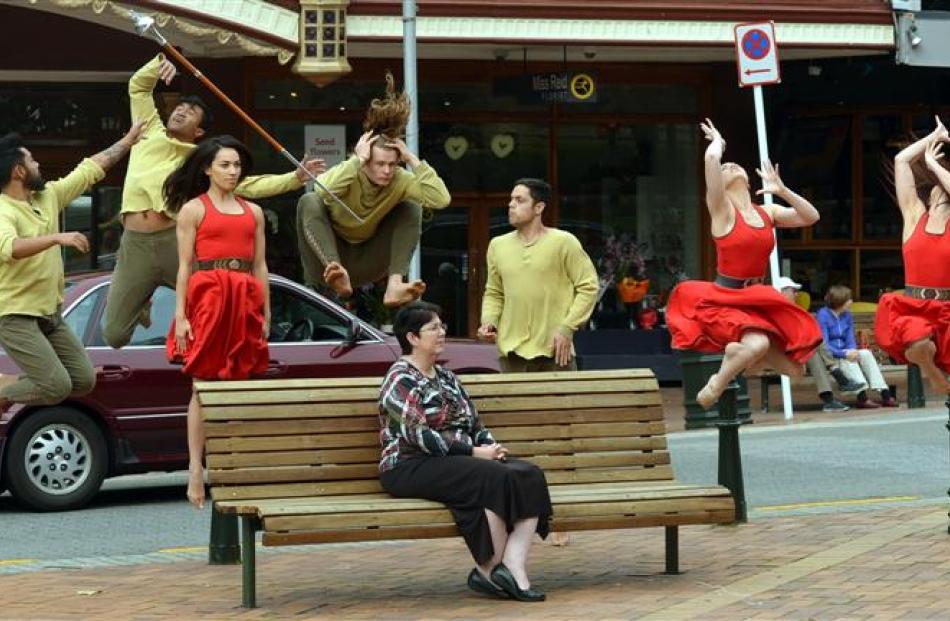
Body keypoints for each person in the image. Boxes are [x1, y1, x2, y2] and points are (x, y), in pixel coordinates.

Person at [102, 53, 323, 349]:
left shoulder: (201, 160)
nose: (181, 111)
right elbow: (138, 88)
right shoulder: (148, 131)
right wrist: (157, 65)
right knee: (114, 336)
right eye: (179, 107)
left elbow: (248, 185)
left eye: (191, 112)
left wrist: (294, 178)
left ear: (200, 131)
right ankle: (142, 301)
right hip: (134, 244)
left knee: (211, 313)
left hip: (173, 241)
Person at [379, 301, 552, 602]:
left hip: (459, 461)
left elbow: (475, 423)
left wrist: (491, 446)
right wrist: (474, 453)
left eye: (441, 325)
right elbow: (418, 436)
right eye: (433, 328)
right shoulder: (400, 379)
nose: (442, 332)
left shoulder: (447, 377)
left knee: (529, 474)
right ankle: (496, 571)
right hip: (410, 465)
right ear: (412, 338)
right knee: (491, 476)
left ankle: (506, 564)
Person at [667, 119, 823, 409]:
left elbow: (810, 217)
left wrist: (783, 190)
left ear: (750, 182)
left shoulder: (768, 212)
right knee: (759, 344)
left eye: (735, 165)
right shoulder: (722, 211)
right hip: (727, 297)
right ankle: (717, 382)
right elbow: (712, 159)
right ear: (720, 186)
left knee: (796, 372)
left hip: (757, 297)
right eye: (726, 168)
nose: (731, 166)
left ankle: (741, 357)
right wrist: (718, 143)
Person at [0, 125, 144, 413]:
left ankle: (8, 385)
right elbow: (11, 247)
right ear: (18, 171)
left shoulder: (47, 197)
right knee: (56, 387)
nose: (38, 164)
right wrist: (57, 237)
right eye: (31, 160)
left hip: (50, 314)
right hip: (15, 316)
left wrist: (128, 140)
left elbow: (89, 169)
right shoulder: (3, 210)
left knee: (83, 380)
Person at [163, 135, 271, 508]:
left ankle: (231, 464)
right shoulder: (193, 209)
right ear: (207, 168)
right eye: (225, 164)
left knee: (240, 382)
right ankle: (196, 467)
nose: (232, 171)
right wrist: (180, 315)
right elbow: (184, 266)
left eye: (237, 165)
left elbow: (260, 265)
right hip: (207, 295)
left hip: (244, 297)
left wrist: (266, 311)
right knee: (202, 385)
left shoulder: (253, 212)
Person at [297, 72, 451, 308]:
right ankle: (337, 273)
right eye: (380, 163)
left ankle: (394, 286)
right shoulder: (351, 171)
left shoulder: (400, 179)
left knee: (411, 207)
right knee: (308, 201)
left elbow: (441, 200)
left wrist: (412, 159)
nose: (387, 170)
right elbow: (321, 190)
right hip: (328, 262)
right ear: (367, 160)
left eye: (392, 164)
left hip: (368, 259)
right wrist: (356, 160)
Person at [477, 178, 598, 373]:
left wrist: (567, 328)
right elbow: (494, 292)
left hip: (556, 351)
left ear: (539, 207)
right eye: (511, 199)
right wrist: (489, 322)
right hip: (511, 354)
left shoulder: (564, 242)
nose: (511, 205)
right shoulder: (497, 245)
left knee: (562, 404)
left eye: (519, 200)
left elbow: (589, 287)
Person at [875, 115, 950, 394]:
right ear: (928, 195)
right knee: (918, 342)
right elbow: (901, 161)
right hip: (915, 305)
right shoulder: (914, 216)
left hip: (947, 308)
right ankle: (932, 373)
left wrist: (932, 164)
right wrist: (933, 137)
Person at [775, 277, 860, 413]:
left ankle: (829, 399)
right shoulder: (775, 310)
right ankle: (838, 376)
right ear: (781, 292)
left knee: (814, 349)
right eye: (793, 291)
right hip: (783, 352)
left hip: (803, 350)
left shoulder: (794, 310)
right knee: (814, 343)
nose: (797, 294)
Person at [818, 285, 897, 408]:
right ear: (839, 301)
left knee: (865, 354)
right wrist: (845, 353)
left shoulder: (847, 315)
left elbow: (850, 337)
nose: (851, 302)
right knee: (849, 360)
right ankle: (862, 398)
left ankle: (884, 394)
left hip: (845, 351)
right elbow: (824, 344)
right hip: (832, 356)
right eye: (849, 299)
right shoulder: (823, 315)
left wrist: (852, 350)